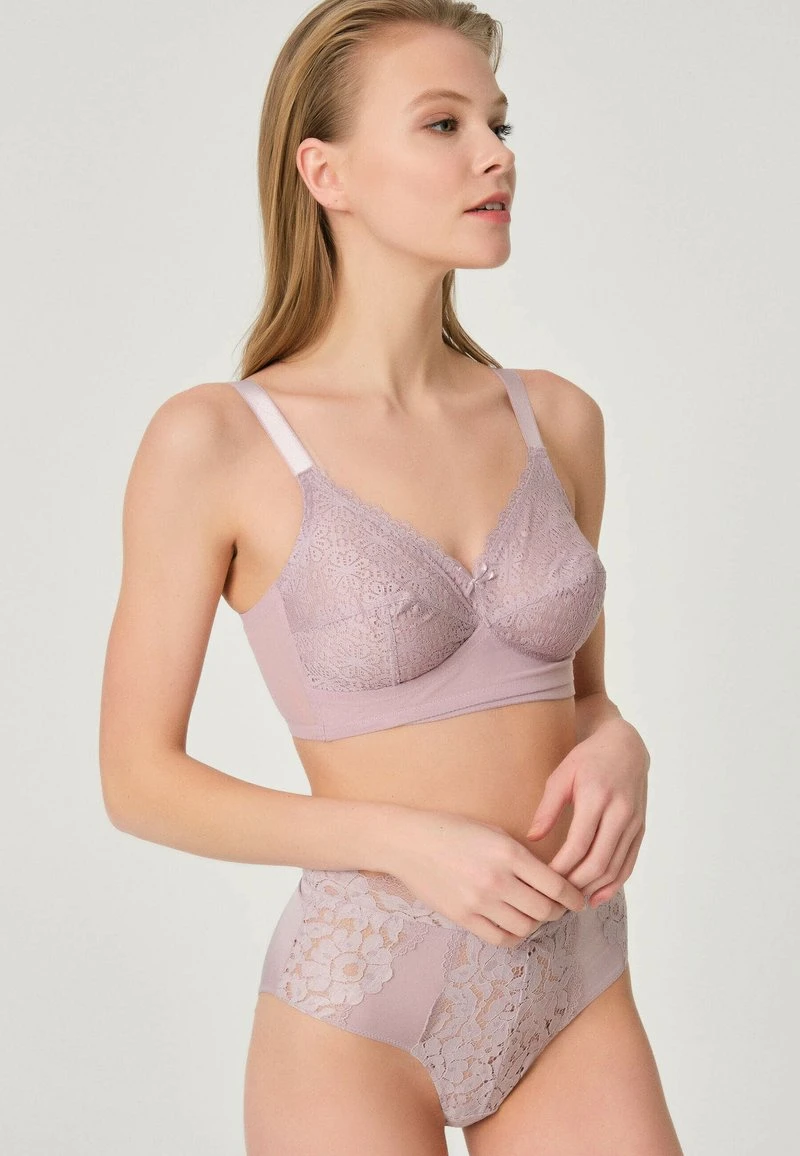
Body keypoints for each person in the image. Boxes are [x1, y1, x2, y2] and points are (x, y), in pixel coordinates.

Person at [99, 2, 684, 1153]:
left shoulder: (556, 422)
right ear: (325, 172)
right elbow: (137, 779)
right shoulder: (217, 443)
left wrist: (621, 741)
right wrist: (400, 839)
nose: (493, 156)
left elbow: (577, 697)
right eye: (441, 123)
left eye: (497, 125)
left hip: (571, 981)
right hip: (355, 1010)